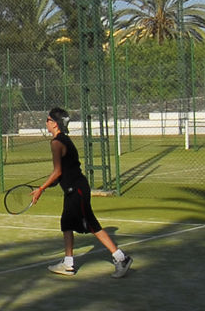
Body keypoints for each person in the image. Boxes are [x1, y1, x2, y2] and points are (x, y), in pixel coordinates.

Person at [30, 107, 130, 278]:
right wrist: (52, 184)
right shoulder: (65, 140)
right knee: (67, 224)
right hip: (73, 189)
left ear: (54, 123)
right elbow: (65, 170)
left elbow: (57, 171)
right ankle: (68, 264)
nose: (45, 123)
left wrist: (40, 189)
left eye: (47, 120)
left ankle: (121, 258)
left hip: (77, 190)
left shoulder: (56, 143)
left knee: (92, 225)